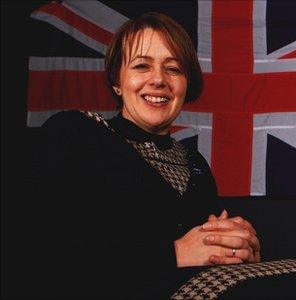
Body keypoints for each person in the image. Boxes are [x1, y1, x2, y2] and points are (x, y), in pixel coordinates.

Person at [25, 12, 260, 299]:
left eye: (173, 69)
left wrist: (236, 248)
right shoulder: (75, 133)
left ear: (186, 84)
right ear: (116, 82)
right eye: (141, 66)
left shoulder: (195, 165)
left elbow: (206, 261)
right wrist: (174, 253)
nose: (158, 80)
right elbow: (43, 254)